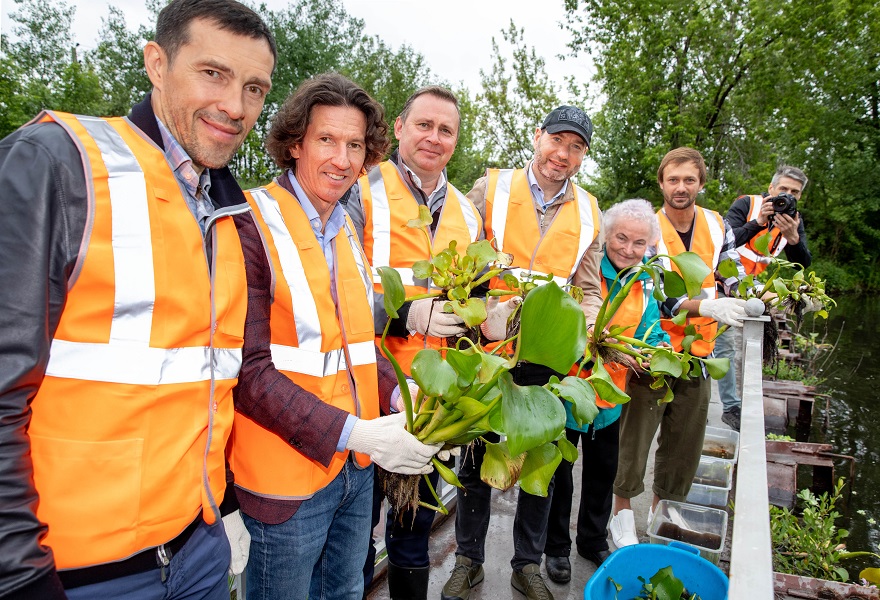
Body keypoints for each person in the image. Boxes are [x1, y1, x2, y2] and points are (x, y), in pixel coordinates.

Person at [0, 1, 276, 598]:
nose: (235, 106)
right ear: (157, 63)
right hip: (76, 572)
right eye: (214, 73)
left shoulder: (226, 211)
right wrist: (17, 573)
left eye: (254, 88)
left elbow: (206, 377)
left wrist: (219, 511)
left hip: (195, 550)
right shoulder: (61, 163)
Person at [228, 73, 442, 600]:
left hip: (354, 470)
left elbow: (354, 342)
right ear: (295, 142)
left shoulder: (345, 227)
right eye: (326, 140)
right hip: (285, 479)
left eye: (354, 145)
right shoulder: (250, 222)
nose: (342, 160)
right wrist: (361, 433)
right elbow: (247, 371)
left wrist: (397, 392)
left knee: (346, 592)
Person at [441, 105, 604, 600]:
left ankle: (525, 564)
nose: (564, 154)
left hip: (547, 356)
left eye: (576, 147)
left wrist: (591, 326)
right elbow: (458, 259)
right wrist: (475, 308)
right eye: (558, 140)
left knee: (541, 460)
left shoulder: (590, 210)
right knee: (473, 457)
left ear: (583, 156)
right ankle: (467, 560)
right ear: (538, 137)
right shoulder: (489, 189)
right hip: (486, 346)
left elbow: (590, 288)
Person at [343, 86, 482, 599]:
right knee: (356, 536)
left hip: (431, 400)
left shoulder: (468, 214)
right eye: (424, 125)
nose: (434, 138)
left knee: (413, 531)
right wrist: (404, 312)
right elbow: (335, 291)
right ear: (400, 128)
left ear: (455, 141)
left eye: (446, 130)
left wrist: (488, 318)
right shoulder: (358, 189)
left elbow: (473, 303)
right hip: (368, 387)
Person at [609, 147, 748, 549]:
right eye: (673, 180)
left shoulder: (718, 224)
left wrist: (756, 298)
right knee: (634, 440)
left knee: (683, 444)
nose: (681, 187)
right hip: (651, 353)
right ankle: (621, 515)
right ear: (661, 184)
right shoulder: (646, 229)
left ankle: (659, 512)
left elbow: (731, 272)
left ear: (701, 183)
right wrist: (705, 305)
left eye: (689, 179)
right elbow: (654, 295)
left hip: (700, 354)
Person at [542, 199, 671, 584]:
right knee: (559, 475)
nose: (628, 250)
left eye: (638, 243)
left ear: (649, 246)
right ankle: (557, 548)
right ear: (605, 235)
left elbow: (651, 330)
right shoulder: (581, 268)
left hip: (611, 398)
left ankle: (592, 540)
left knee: (602, 474)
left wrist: (658, 351)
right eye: (621, 238)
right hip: (569, 392)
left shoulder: (644, 281)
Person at [716, 165, 812, 430]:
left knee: (750, 346)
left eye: (795, 192)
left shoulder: (794, 219)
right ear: (771, 189)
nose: (787, 196)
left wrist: (793, 237)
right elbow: (723, 242)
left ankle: (743, 400)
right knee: (725, 345)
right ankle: (730, 406)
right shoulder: (747, 204)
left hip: (755, 290)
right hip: (723, 281)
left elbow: (803, 262)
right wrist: (757, 222)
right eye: (783, 189)